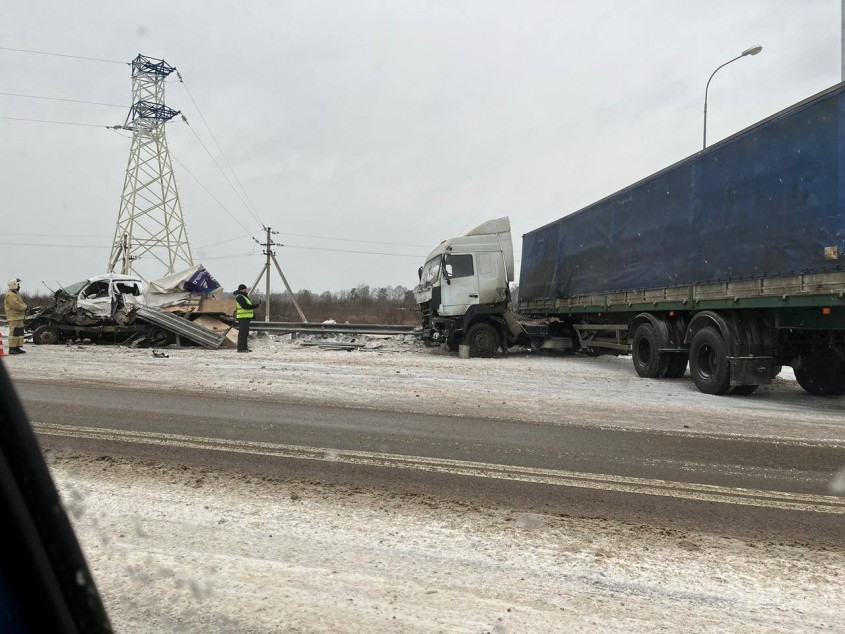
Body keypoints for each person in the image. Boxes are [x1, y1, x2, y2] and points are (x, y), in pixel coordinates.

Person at [234, 284, 260, 353]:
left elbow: (247, 305)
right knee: (242, 333)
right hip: (243, 317)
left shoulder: (244, 296)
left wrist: (254, 305)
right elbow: (245, 306)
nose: (246, 290)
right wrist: (254, 306)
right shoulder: (239, 297)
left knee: (245, 333)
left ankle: (244, 348)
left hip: (246, 317)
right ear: (242, 289)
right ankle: (240, 348)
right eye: (245, 289)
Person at [4, 278, 28, 355]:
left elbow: (21, 303)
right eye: (18, 284)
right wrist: (25, 307)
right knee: (14, 333)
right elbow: (16, 305)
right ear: (14, 285)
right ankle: (12, 348)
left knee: (19, 333)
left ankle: (17, 347)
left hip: (19, 317)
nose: (19, 286)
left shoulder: (16, 294)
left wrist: (24, 306)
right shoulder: (10, 295)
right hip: (14, 317)